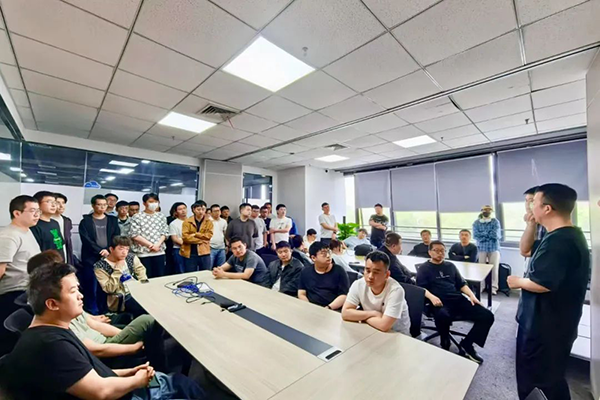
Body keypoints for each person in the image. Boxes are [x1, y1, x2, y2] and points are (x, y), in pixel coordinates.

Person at [0, 262, 204, 399]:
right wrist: (136, 380)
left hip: (118, 383)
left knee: (183, 383)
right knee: (185, 386)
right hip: (124, 394)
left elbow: (85, 374)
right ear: (52, 304)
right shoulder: (51, 345)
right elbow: (101, 392)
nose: (81, 296)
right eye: (73, 291)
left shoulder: (52, 330)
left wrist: (128, 372)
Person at [508, 184, 589, 400]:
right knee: (550, 379)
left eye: (533, 202)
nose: (529, 207)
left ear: (547, 208)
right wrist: (531, 225)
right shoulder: (559, 235)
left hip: (546, 328)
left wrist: (517, 281)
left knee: (537, 382)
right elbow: (525, 250)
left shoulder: (560, 242)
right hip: (548, 324)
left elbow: (543, 283)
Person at [28, 250, 162, 366]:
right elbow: (95, 350)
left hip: (104, 339)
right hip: (104, 349)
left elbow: (93, 324)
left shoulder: (70, 308)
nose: (80, 295)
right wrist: (133, 347)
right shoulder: (59, 321)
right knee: (146, 320)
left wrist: (124, 334)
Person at [416, 241, 494, 363]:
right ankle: (445, 340)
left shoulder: (450, 266)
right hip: (438, 302)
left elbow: (461, 284)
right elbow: (421, 288)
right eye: (436, 250)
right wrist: (432, 297)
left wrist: (472, 296)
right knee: (443, 316)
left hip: (457, 299)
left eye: (443, 250)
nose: (440, 253)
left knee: (487, 316)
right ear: (430, 252)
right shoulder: (424, 268)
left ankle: (467, 344)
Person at [0, 195, 41, 355]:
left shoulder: (27, 231)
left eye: (38, 211)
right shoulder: (9, 235)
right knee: (9, 339)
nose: (37, 214)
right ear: (17, 213)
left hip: (27, 292)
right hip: (13, 295)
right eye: (32, 211)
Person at [342, 251, 410, 334]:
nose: (370, 276)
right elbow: (345, 313)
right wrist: (373, 314)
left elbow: (384, 326)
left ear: (387, 275)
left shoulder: (396, 290)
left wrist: (362, 317)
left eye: (376, 272)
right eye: (368, 271)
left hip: (396, 334)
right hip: (371, 329)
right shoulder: (358, 284)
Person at [79, 194, 120, 315]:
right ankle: (92, 310)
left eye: (104, 205)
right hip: (90, 257)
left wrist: (108, 250)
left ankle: (104, 309)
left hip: (108, 256)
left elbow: (116, 236)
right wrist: (100, 250)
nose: (102, 207)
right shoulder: (85, 221)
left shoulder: (112, 220)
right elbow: (86, 240)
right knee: (91, 284)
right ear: (93, 206)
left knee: (105, 284)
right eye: (99, 205)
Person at [94, 236, 148, 317]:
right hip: (121, 297)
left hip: (137, 290)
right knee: (142, 307)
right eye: (121, 249)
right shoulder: (100, 267)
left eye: (127, 249)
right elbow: (109, 289)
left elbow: (141, 273)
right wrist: (118, 269)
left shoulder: (131, 258)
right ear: (111, 249)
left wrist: (143, 286)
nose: (124, 252)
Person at [298, 241, 349, 310]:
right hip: (310, 308)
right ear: (313, 258)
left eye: (329, 252)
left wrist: (328, 308)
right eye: (324, 254)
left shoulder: (339, 271)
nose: (328, 256)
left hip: (332, 309)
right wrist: (309, 307)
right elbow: (301, 293)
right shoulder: (305, 271)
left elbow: (343, 295)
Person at [130, 193, 169, 278]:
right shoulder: (137, 216)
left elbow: (165, 232)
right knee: (145, 277)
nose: (154, 204)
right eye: (151, 202)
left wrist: (157, 245)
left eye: (156, 201)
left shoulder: (161, 216)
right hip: (143, 253)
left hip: (159, 252)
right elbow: (135, 235)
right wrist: (150, 245)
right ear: (144, 203)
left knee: (160, 277)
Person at [472, 205, 502, 295]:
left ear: (491, 211)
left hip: (494, 248)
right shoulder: (476, 223)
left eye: (488, 210)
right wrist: (488, 233)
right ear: (482, 211)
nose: (486, 211)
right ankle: (481, 287)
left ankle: (493, 288)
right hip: (481, 248)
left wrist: (483, 234)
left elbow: (495, 235)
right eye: (485, 210)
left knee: (494, 269)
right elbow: (475, 236)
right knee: (481, 269)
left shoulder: (495, 222)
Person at [31, 191, 65, 260]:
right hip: (44, 264)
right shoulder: (34, 225)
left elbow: (60, 246)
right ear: (37, 204)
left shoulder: (55, 223)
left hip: (59, 263)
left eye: (55, 202)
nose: (53, 205)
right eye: (49, 202)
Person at [181, 200, 213, 272]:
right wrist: (201, 240)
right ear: (194, 210)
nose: (201, 212)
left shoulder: (209, 222)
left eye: (203, 209)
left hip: (204, 252)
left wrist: (195, 234)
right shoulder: (187, 222)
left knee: (205, 273)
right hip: (190, 253)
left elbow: (209, 236)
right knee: (190, 274)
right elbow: (185, 238)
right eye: (198, 209)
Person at [52, 192, 74, 265]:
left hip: (65, 253)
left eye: (63, 203)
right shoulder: (47, 221)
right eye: (58, 203)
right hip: (52, 256)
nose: (61, 206)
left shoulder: (66, 221)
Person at [168, 202, 187, 274]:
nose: (183, 211)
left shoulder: (192, 221)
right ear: (176, 212)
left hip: (191, 250)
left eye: (184, 208)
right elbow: (174, 239)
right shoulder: (173, 224)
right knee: (181, 270)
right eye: (180, 209)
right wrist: (187, 245)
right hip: (179, 249)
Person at [209, 204, 227, 268]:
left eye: (218, 211)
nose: (217, 213)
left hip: (221, 248)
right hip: (210, 247)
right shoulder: (207, 221)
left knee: (221, 268)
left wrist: (227, 245)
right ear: (211, 213)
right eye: (215, 211)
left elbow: (225, 234)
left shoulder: (223, 221)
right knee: (209, 267)